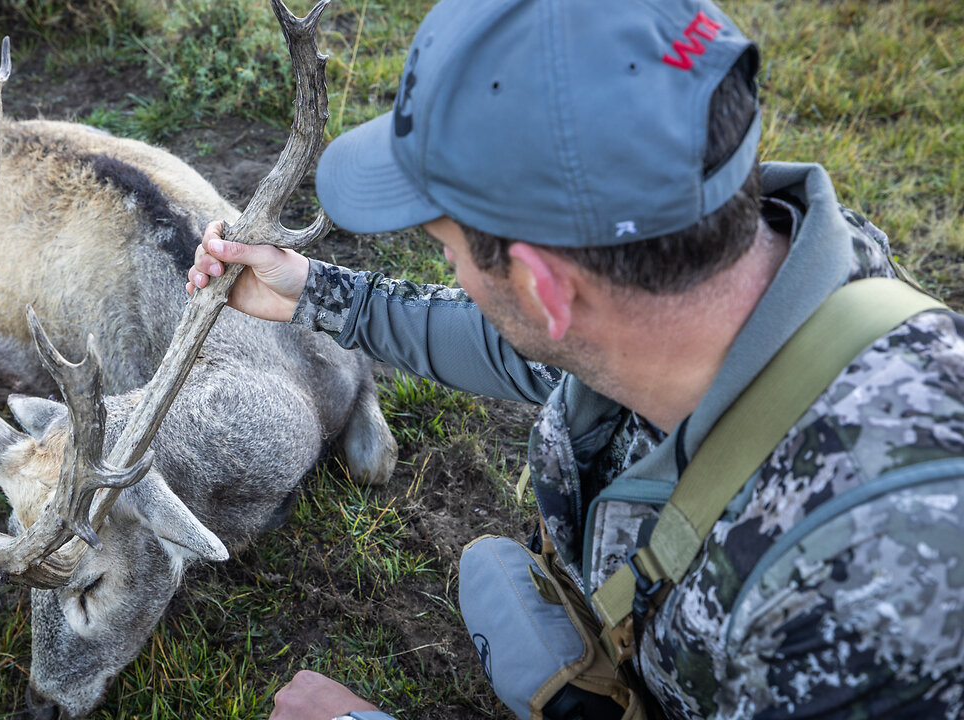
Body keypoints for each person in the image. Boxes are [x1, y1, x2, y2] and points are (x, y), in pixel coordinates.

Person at [187, 0, 964, 717]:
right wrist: (317, 296)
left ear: (547, 290)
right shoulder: (743, 267)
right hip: (662, 635)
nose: (454, 272)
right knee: (502, 591)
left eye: (448, 251)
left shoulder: (868, 598)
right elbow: (533, 347)